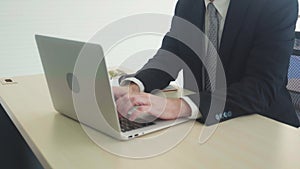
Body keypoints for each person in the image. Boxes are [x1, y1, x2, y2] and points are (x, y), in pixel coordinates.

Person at [113, 0, 300, 127]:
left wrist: (178, 107)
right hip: (203, 124)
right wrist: (135, 85)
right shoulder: (188, 4)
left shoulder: (277, 4)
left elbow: (260, 87)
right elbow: (171, 54)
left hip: (262, 125)